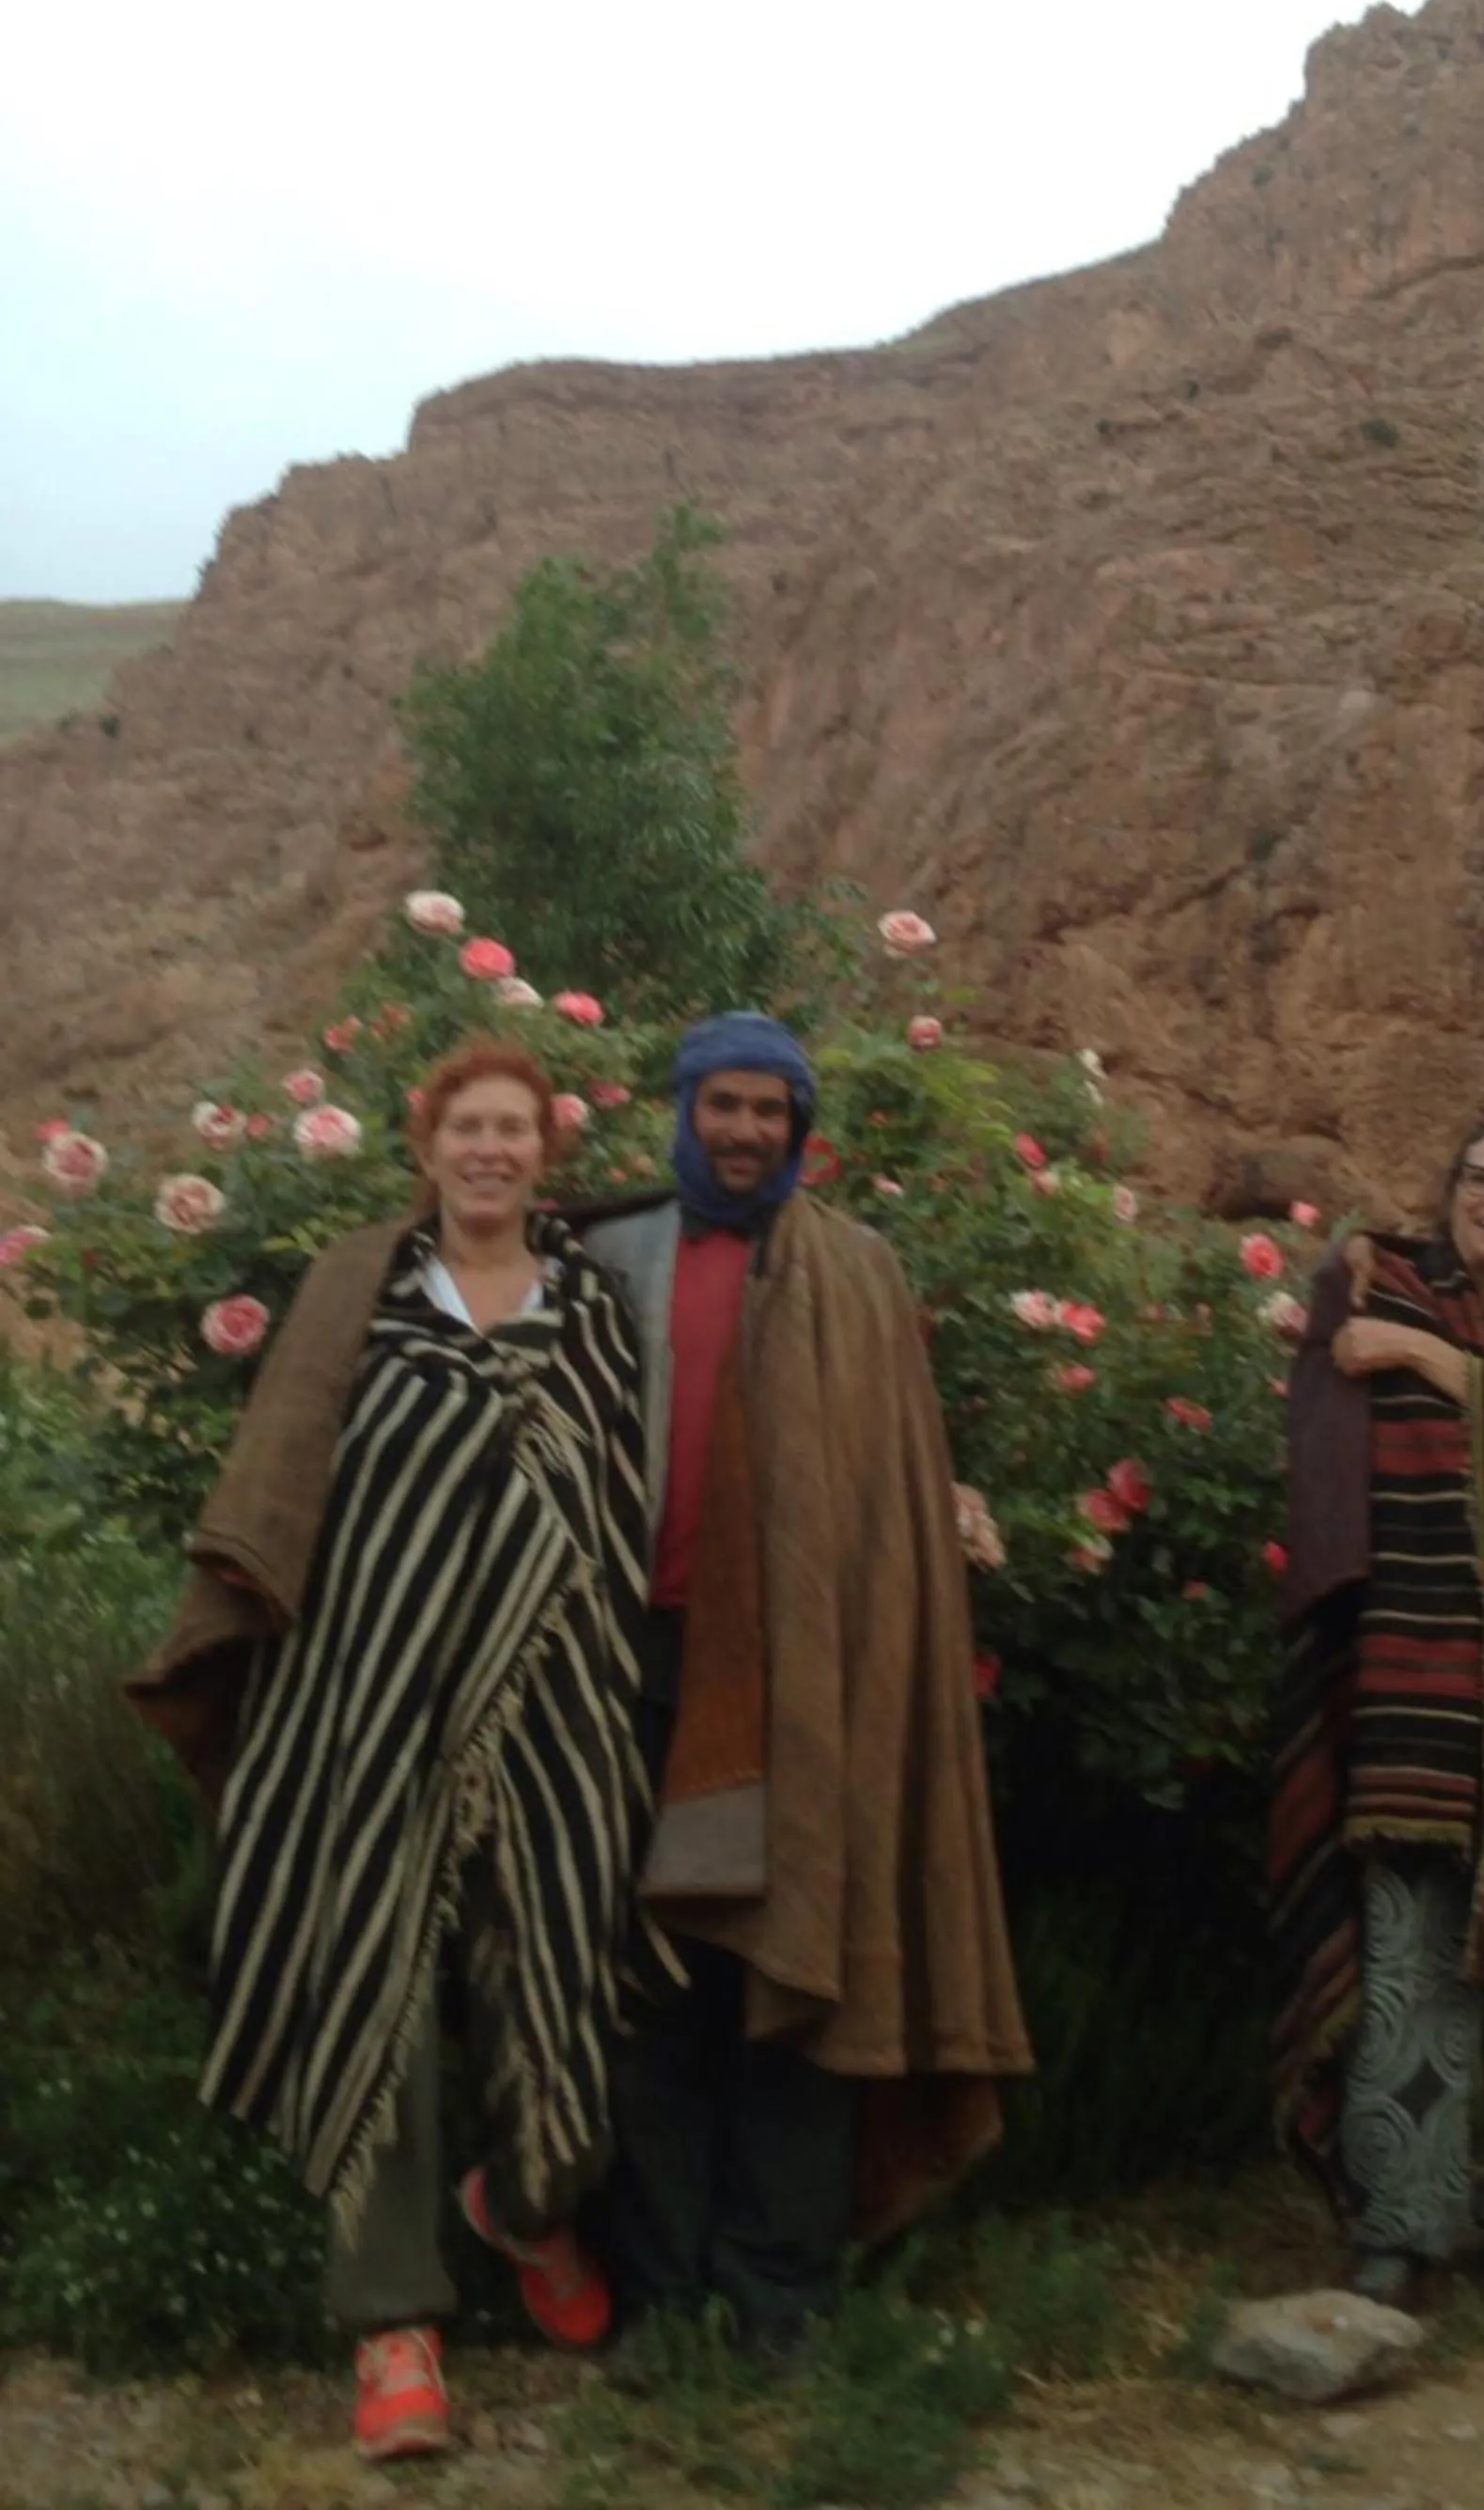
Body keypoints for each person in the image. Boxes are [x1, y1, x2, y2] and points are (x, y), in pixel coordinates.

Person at [129, 1040, 655, 2463]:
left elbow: (618, 1515)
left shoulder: (597, 1311)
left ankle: (530, 2203)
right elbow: (290, 1484)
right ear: (424, 1147)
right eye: (464, 1128)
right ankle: (394, 2322)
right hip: (363, 1693)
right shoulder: (356, 1298)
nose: (489, 1151)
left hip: (555, 1700)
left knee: (555, 1947)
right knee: (374, 1968)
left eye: (514, 1130)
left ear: (545, 1152)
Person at [582, 1010, 1030, 2358]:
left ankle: (777, 2290)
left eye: (769, 1111)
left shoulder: (859, 1273)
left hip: (806, 1679)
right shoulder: (606, 1257)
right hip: (632, 1667)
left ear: (798, 1127)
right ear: (682, 1110)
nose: (743, 1131)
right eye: (722, 1105)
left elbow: (886, 1498)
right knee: (645, 1984)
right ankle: (660, 2288)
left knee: (795, 1975)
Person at [1270, 1106, 1484, 2320]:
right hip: (1404, 1686)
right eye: (1482, 1178)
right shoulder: (1382, 1277)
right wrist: (1356, 1277)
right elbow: (1322, 1386)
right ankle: (1401, 2228)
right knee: (1406, 1954)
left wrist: (1412, 1361)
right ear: (1449, 1185)